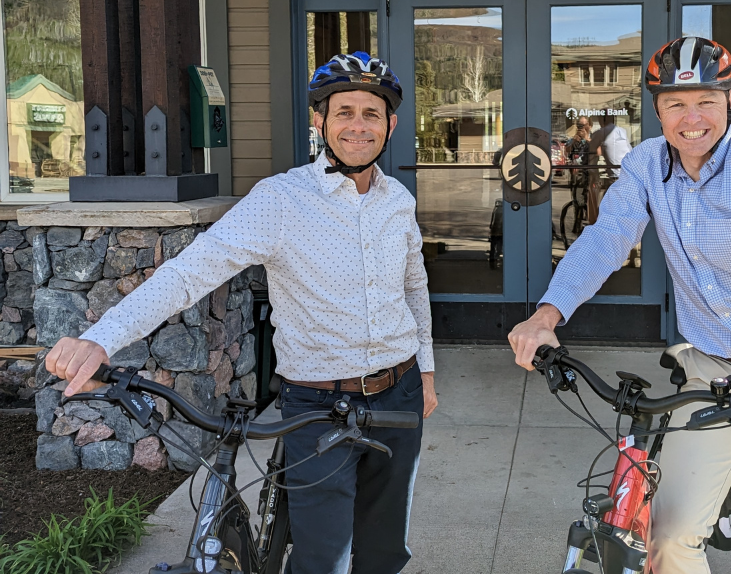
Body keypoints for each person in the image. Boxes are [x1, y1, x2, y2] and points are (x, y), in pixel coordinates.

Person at [45, 52, 438, 574]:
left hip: (401, 392)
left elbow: (414, 287)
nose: (358, 126)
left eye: (372, 113)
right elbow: (189, 273)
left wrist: (426, 371)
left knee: (387, 550)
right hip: (319, 404)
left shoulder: (398, 200)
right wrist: (101, 338)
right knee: (324, 559)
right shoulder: (280, 200)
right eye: (344, 112)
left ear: (390, 124)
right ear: (319, 121)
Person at [509, 35, 731, 574]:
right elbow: (605, 240)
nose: (692, 118)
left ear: (729, 101)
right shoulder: (646, 165)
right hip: (712, 372)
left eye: (706, 101)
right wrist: (545, 315)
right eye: (675, 104)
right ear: (658, 109)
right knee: (667, 537)